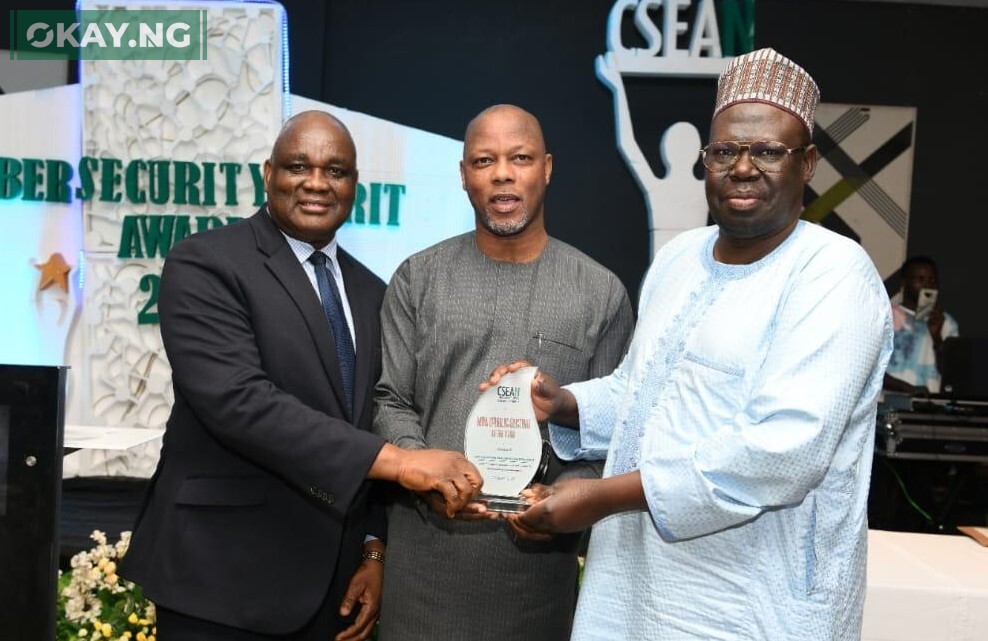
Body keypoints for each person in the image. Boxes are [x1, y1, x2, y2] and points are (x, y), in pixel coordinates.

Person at [490, 49, 894, 640]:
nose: (744, 167)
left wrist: (599, 497)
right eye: (726, 150)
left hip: (755, 597)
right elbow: (643, 388)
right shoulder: (681, 257)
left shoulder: (834, 274)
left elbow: (780, 452)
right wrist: (563, 403)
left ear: (807, 163)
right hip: (634, 581)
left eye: (768, 151)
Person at [120, 111, 483, 641]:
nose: (316, 183)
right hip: (218, 580)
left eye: (336, 170)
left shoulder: (371, 292)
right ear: (268, 173)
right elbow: (241, 405)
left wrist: (373, 550)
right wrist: (403, 464)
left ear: (354, 184)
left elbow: (374, 418)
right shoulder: (205, 264)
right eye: (298, 166)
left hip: (331, 588)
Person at [372, 104, 634, 641]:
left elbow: (610, 429)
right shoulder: (416, 280)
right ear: (465, 174)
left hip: (535, 585)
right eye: (485, 160)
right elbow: (389, 400)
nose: (503, 173)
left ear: (548, 168)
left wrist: (570, 495)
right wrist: (424, 469)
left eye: (520, 158)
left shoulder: (600, 292)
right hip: (423, 578)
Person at [595, 51, 708, 257]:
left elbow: (628, 144)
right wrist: (617, 89)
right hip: (664, 279)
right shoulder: (701, 188)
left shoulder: (700, 188)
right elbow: (628, 144)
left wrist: (618, 88)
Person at [884, 255, 959, 394]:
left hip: (930, 409)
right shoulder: (886, 316)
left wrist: (937, 337)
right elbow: (872, 370)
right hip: (889, 405)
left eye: (932, 280)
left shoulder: (947, 322)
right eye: (920, 279)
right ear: (904, 282)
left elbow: (954, 375)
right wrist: (908, 389)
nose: (928, 285)